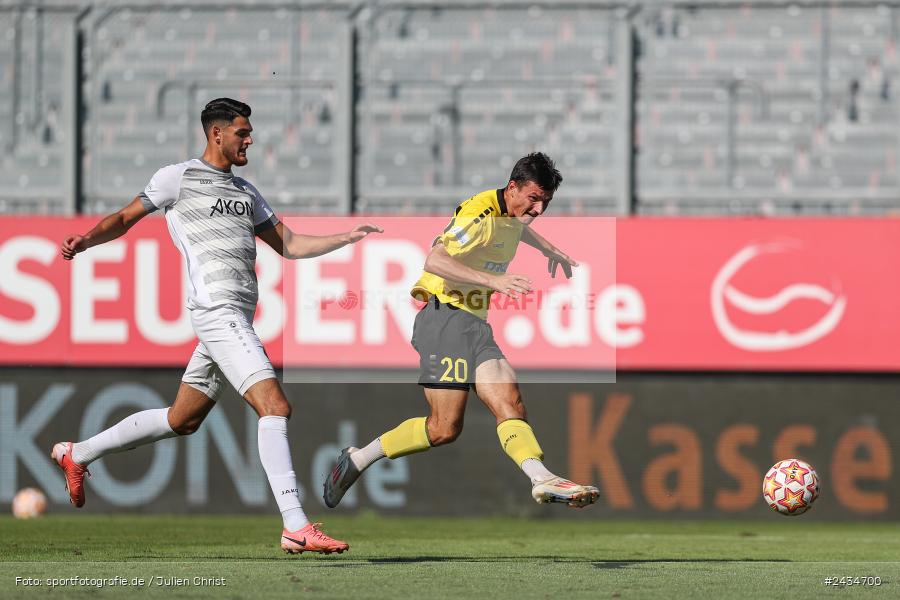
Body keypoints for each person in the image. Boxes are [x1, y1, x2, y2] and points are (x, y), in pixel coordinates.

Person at [53, 98, 381, 555]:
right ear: (216, 134)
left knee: (181, 419)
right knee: (275, 406)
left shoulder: (247, 192)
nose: (250, 139)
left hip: (236, 316)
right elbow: (126, 218)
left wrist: (344, 238)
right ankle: (295, 524)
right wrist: (87, 239)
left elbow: (287, 243)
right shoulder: (178, 178)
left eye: (250, 132)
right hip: (216, 310)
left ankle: (78, 452)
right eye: (243, 132)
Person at [323, 152, 599, 510]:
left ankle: (541, 478)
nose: (539, 210)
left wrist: (551, 249)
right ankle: (359, 459)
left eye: (546, 202)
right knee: (443, 429)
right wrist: (493, 280)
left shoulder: (509, 210)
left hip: (474, 324)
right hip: (444, 320)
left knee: (510, 401)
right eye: (534, 199)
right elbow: (434, 260)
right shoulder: (478, 213)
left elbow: (517, 227)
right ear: (512, 187)